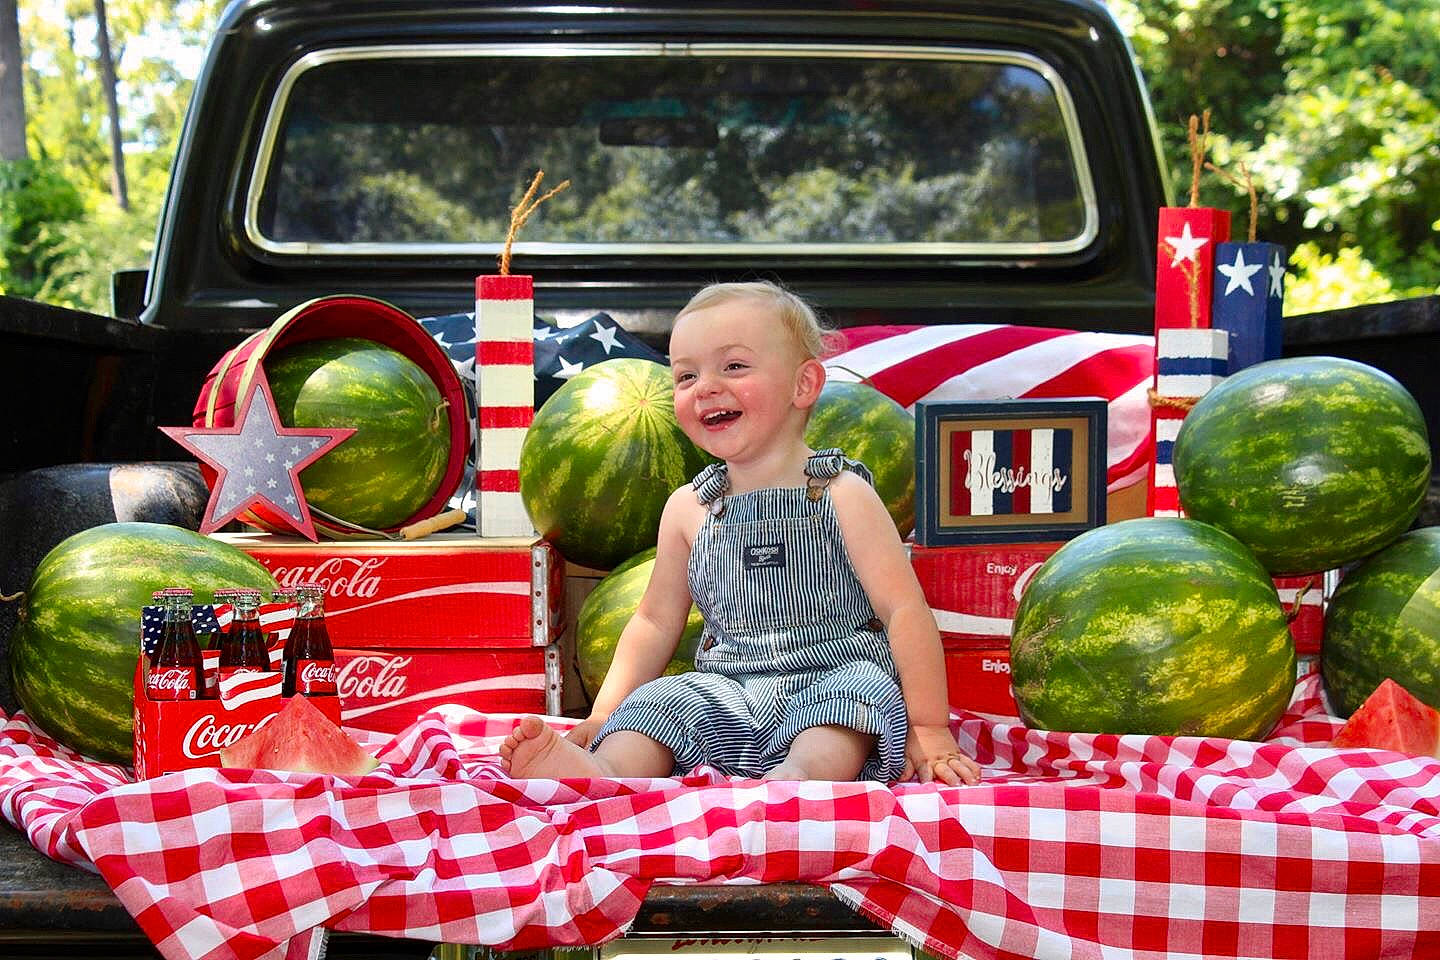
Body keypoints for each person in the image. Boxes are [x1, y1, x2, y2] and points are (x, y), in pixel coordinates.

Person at [502, 281, 981, 786]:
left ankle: (798, 780)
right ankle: (601, 770)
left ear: (803, 386)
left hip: (832, 680)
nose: (705, 386)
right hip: (727, 691)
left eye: (733, 366)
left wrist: (929, 727)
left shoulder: (841, 494)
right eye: (686, 374)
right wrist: (603, 716)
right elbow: (653, 624)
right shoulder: (689, 508)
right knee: (662, 702)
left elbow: (904, 610)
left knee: (853, 707)